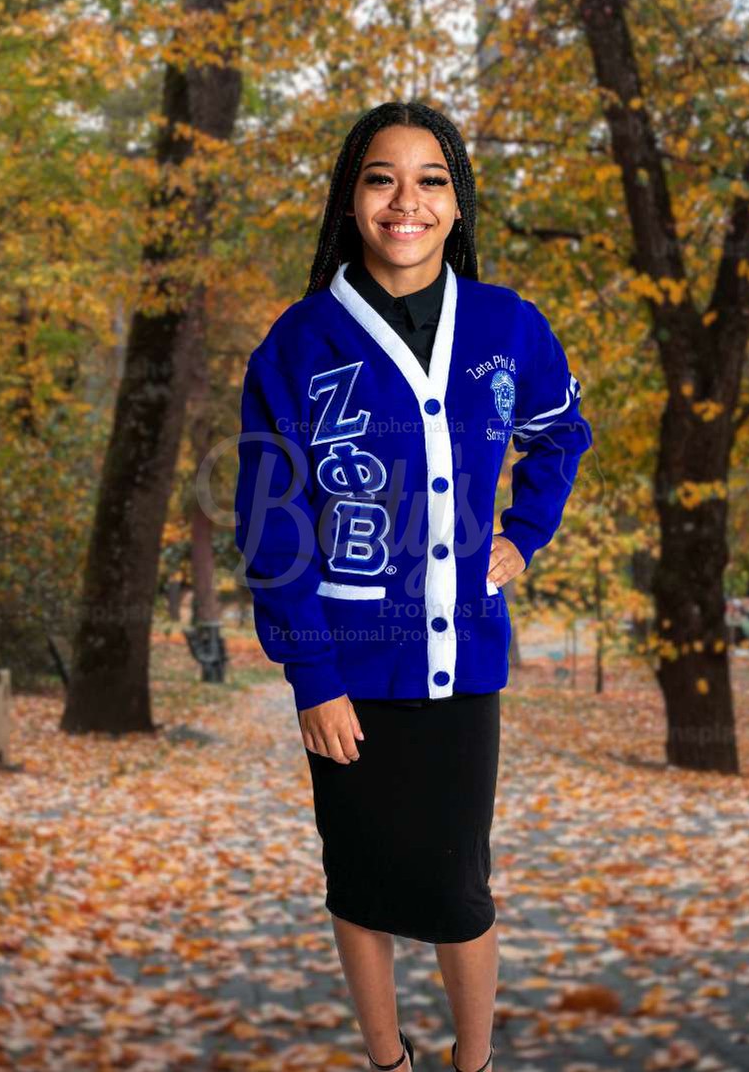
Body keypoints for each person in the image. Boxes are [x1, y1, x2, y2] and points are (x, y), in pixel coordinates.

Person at [233, 101, 593, 1072]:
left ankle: (470, 1064)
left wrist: (523, 532)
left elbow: (561, 432)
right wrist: (310, 672)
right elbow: (270, 519)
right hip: (347, 672)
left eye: (430, 178)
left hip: (461, 659)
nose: (406, 200)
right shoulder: (299, 343)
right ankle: (387, 1060)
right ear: (351, 201)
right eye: (380, 177)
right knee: (358, 876)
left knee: (454, 886)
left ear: (456, 200)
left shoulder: (506, 326)